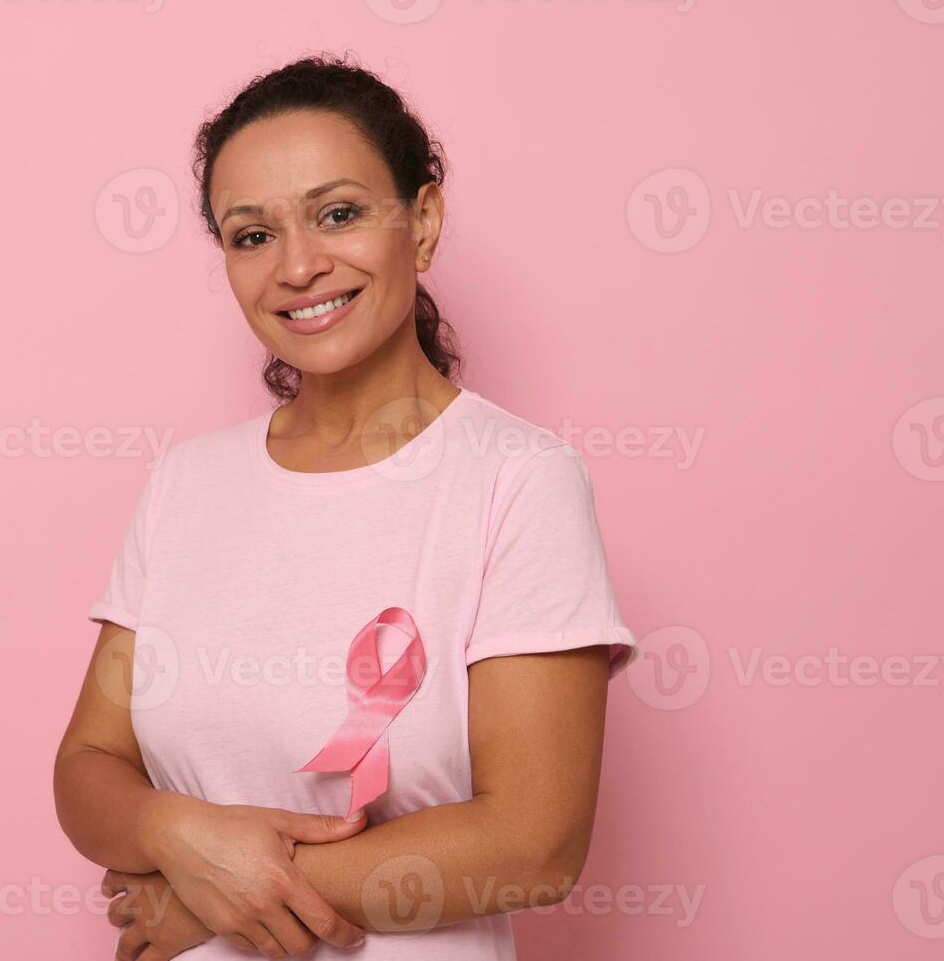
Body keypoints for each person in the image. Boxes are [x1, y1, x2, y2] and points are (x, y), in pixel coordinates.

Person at [55, 52, 637, 960]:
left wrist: (213, 899)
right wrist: (177, 835)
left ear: (424, 221)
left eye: (338, 214)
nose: (297, 265)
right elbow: (88, 770)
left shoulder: (517, 480)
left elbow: (535, 843)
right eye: (251, 235)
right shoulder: (185, 485)